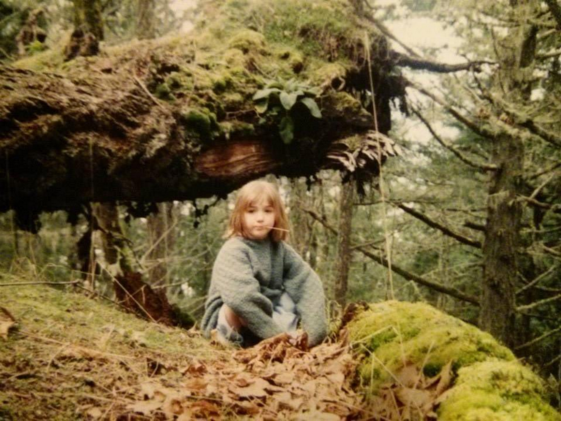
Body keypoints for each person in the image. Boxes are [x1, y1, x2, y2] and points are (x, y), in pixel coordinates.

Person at [201, 180, 328, 348]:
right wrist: (277, 337)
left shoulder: (280, 249)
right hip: (231, 319)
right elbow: (241, 299)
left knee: (292, 294)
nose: (260, 218)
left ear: (277, 215)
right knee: (236, 305)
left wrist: (313, 335)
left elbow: (307, 282)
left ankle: (279, 340)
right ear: (240, 215)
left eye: (268, 211)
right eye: (252, 211)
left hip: (266, 317)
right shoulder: (234, 249)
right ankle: (231, 342)